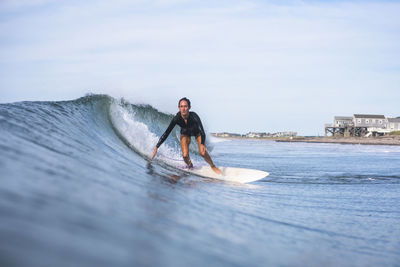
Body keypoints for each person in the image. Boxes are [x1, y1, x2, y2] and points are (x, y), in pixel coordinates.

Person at [151, 97, 222, 174]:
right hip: (185, 133)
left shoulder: (194, 116)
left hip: (197, 133)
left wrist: (202, 144)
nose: (183, 109)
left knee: (203, 152)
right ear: (179, 108)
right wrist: (156, 147)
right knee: (185, 156)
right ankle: (190, 166)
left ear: (189, 107)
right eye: (181, 106)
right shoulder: (176, 118)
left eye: (185, 106)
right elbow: (167, 132)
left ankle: (213, 166)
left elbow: (202, 131)